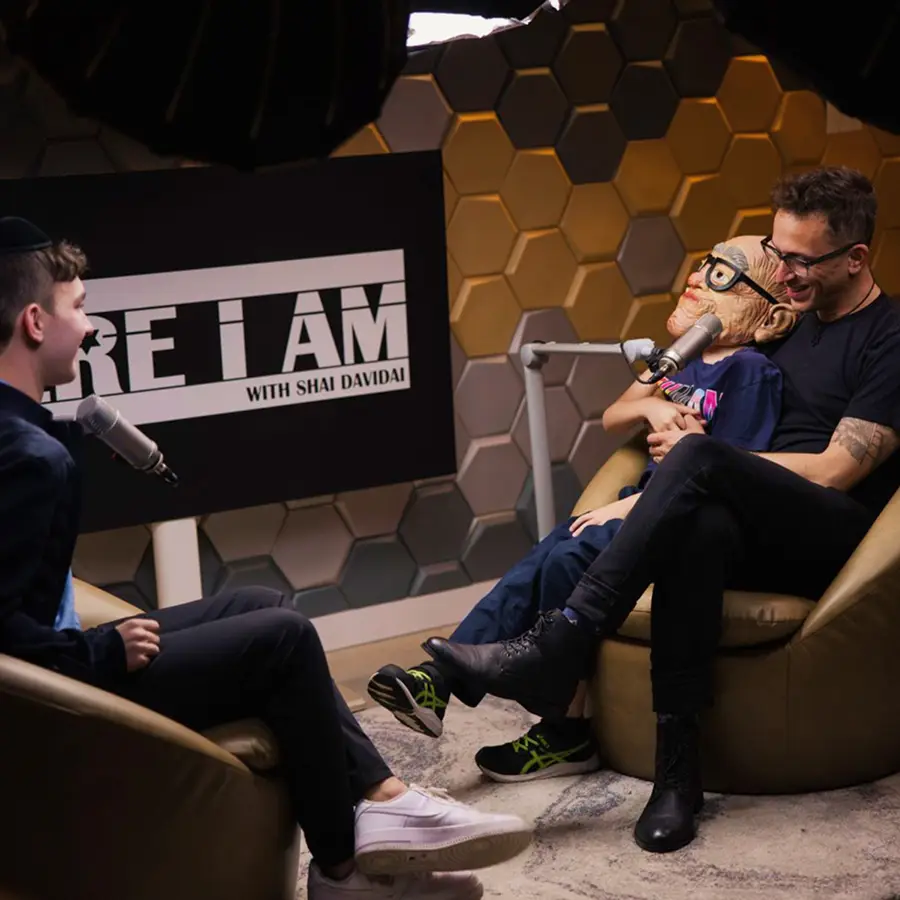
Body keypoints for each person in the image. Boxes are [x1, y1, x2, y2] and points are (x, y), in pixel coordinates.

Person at [0, 216, 533, 900]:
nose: (91, 326)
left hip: (61, 656)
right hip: (54, 697)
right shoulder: (29, 457)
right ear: (35, 322)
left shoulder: (25, 435)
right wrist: (101, 654)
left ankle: (370, 823)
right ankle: (351, 858)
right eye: (78, 308)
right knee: (283, 640)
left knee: (262, 604)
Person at [422, 166, 900, 854]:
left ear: (855, 258)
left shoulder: (889, 335)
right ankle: (678, 773)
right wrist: (669, 419)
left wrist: (698, 462)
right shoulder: (787, 320)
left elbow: (836, 469)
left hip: (834, 535)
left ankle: (561, 642)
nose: (783, 271)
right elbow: (697, 385)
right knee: (695, 530)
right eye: (778, 251)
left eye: (801, 259)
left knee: (698, 467)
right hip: (743, 519)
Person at [368, 234, 797, 784]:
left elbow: (731, 473)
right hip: (639, 503)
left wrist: (634, 508)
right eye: (704, 265)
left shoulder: (752, 372)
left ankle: (561, 730)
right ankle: (440, 681)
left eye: (722, 275)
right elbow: (614, 416)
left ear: (769, 316)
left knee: (570, 560)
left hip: (678, 518)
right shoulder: (682, 357)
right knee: (548, 554)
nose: (697, 278)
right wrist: (653, 408)